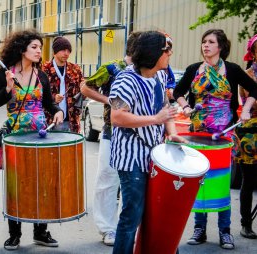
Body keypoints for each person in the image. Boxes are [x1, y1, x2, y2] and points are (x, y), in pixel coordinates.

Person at [173, 29, 257, 250]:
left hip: (224, 135)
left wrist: (246, 109)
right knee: (199, 182)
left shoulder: (232, 70)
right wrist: (186, 106)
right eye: (204, 42)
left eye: (211, 42)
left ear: (220, 47)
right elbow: (177, 92)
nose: (206, 45)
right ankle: (199, 229)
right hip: (197, 134)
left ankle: (224, 231)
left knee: (220, 183)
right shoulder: (193, 69)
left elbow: (255, 89)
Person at [0, 29, 64, 251]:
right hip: (15, 137)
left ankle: (41, 232)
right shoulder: (4, 74)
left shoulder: (42, 76)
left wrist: (58, 111)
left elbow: (49, 103)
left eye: (40, 47)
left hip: (39, 136)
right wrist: (8, 89)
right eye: (34, 47)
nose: (40, 51)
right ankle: (14, 234)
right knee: (16, 187)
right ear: (22, 49)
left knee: (42, 184)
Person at [109, 30, 186, 254]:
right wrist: (155, 119)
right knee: (132, 214)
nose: (170, 53)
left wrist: (171, 132)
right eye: (166, 49)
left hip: (154, 154)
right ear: (154, 53)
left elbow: (165, 108)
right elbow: (117, 117)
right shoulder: (125, 79)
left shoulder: (160, 76)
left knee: (155, 212)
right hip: (130, 157)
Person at [80, 31, 141, 246]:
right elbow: (85, 86)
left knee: (133, 184)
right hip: (111, 132)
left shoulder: (147, 71)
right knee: (107, 179)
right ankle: (107, 228)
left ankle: (129, 228)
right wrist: (109, 100)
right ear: (135, 49)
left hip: (138, 136)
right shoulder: (112, 68)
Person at [236, 33, 257, 239]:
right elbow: (250, 102)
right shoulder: (248, 75)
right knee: (249, 180)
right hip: (251, 133)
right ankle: (246, 224)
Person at [42, 36, 84, 132]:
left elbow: (83, 89)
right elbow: (37, 94)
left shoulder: (75, 69)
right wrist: (53, 99)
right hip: (49, 120)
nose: (66, 53)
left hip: (71, 120)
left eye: (68, 51)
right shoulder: (44, 69)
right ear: (55, 51)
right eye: (63, 50)